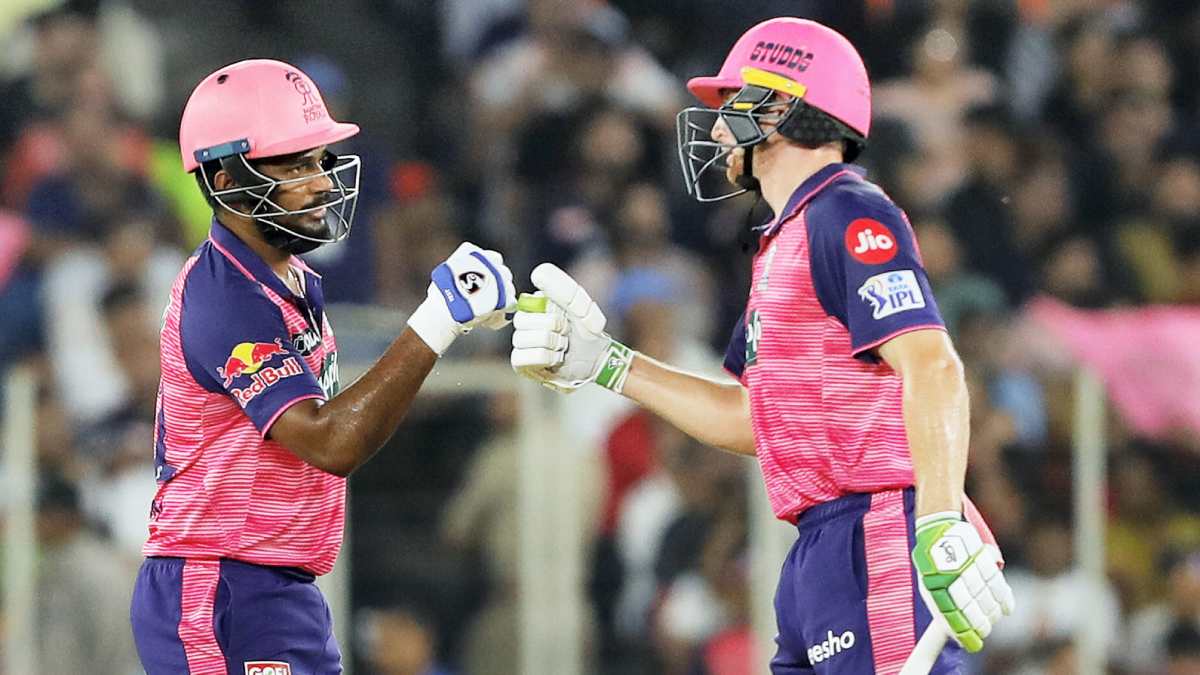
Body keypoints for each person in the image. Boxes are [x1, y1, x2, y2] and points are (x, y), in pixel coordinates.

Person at [510, 17, 1013, 674]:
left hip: (876, 535)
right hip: (820, 546)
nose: (719, 129)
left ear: (782, 109)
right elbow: (755, 418)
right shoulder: (786, 238)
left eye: (733, 104)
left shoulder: (847, 211)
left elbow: (933, 364)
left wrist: (939, 521)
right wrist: (607, 363)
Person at [129, 59, 516, 674]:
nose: (319, 182)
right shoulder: (227, 297)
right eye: (293, 165)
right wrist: (438, 320)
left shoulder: (287, 278)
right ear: (225, 178)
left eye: (318, 160)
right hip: (222, 589)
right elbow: (330, 441)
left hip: (271, 587)